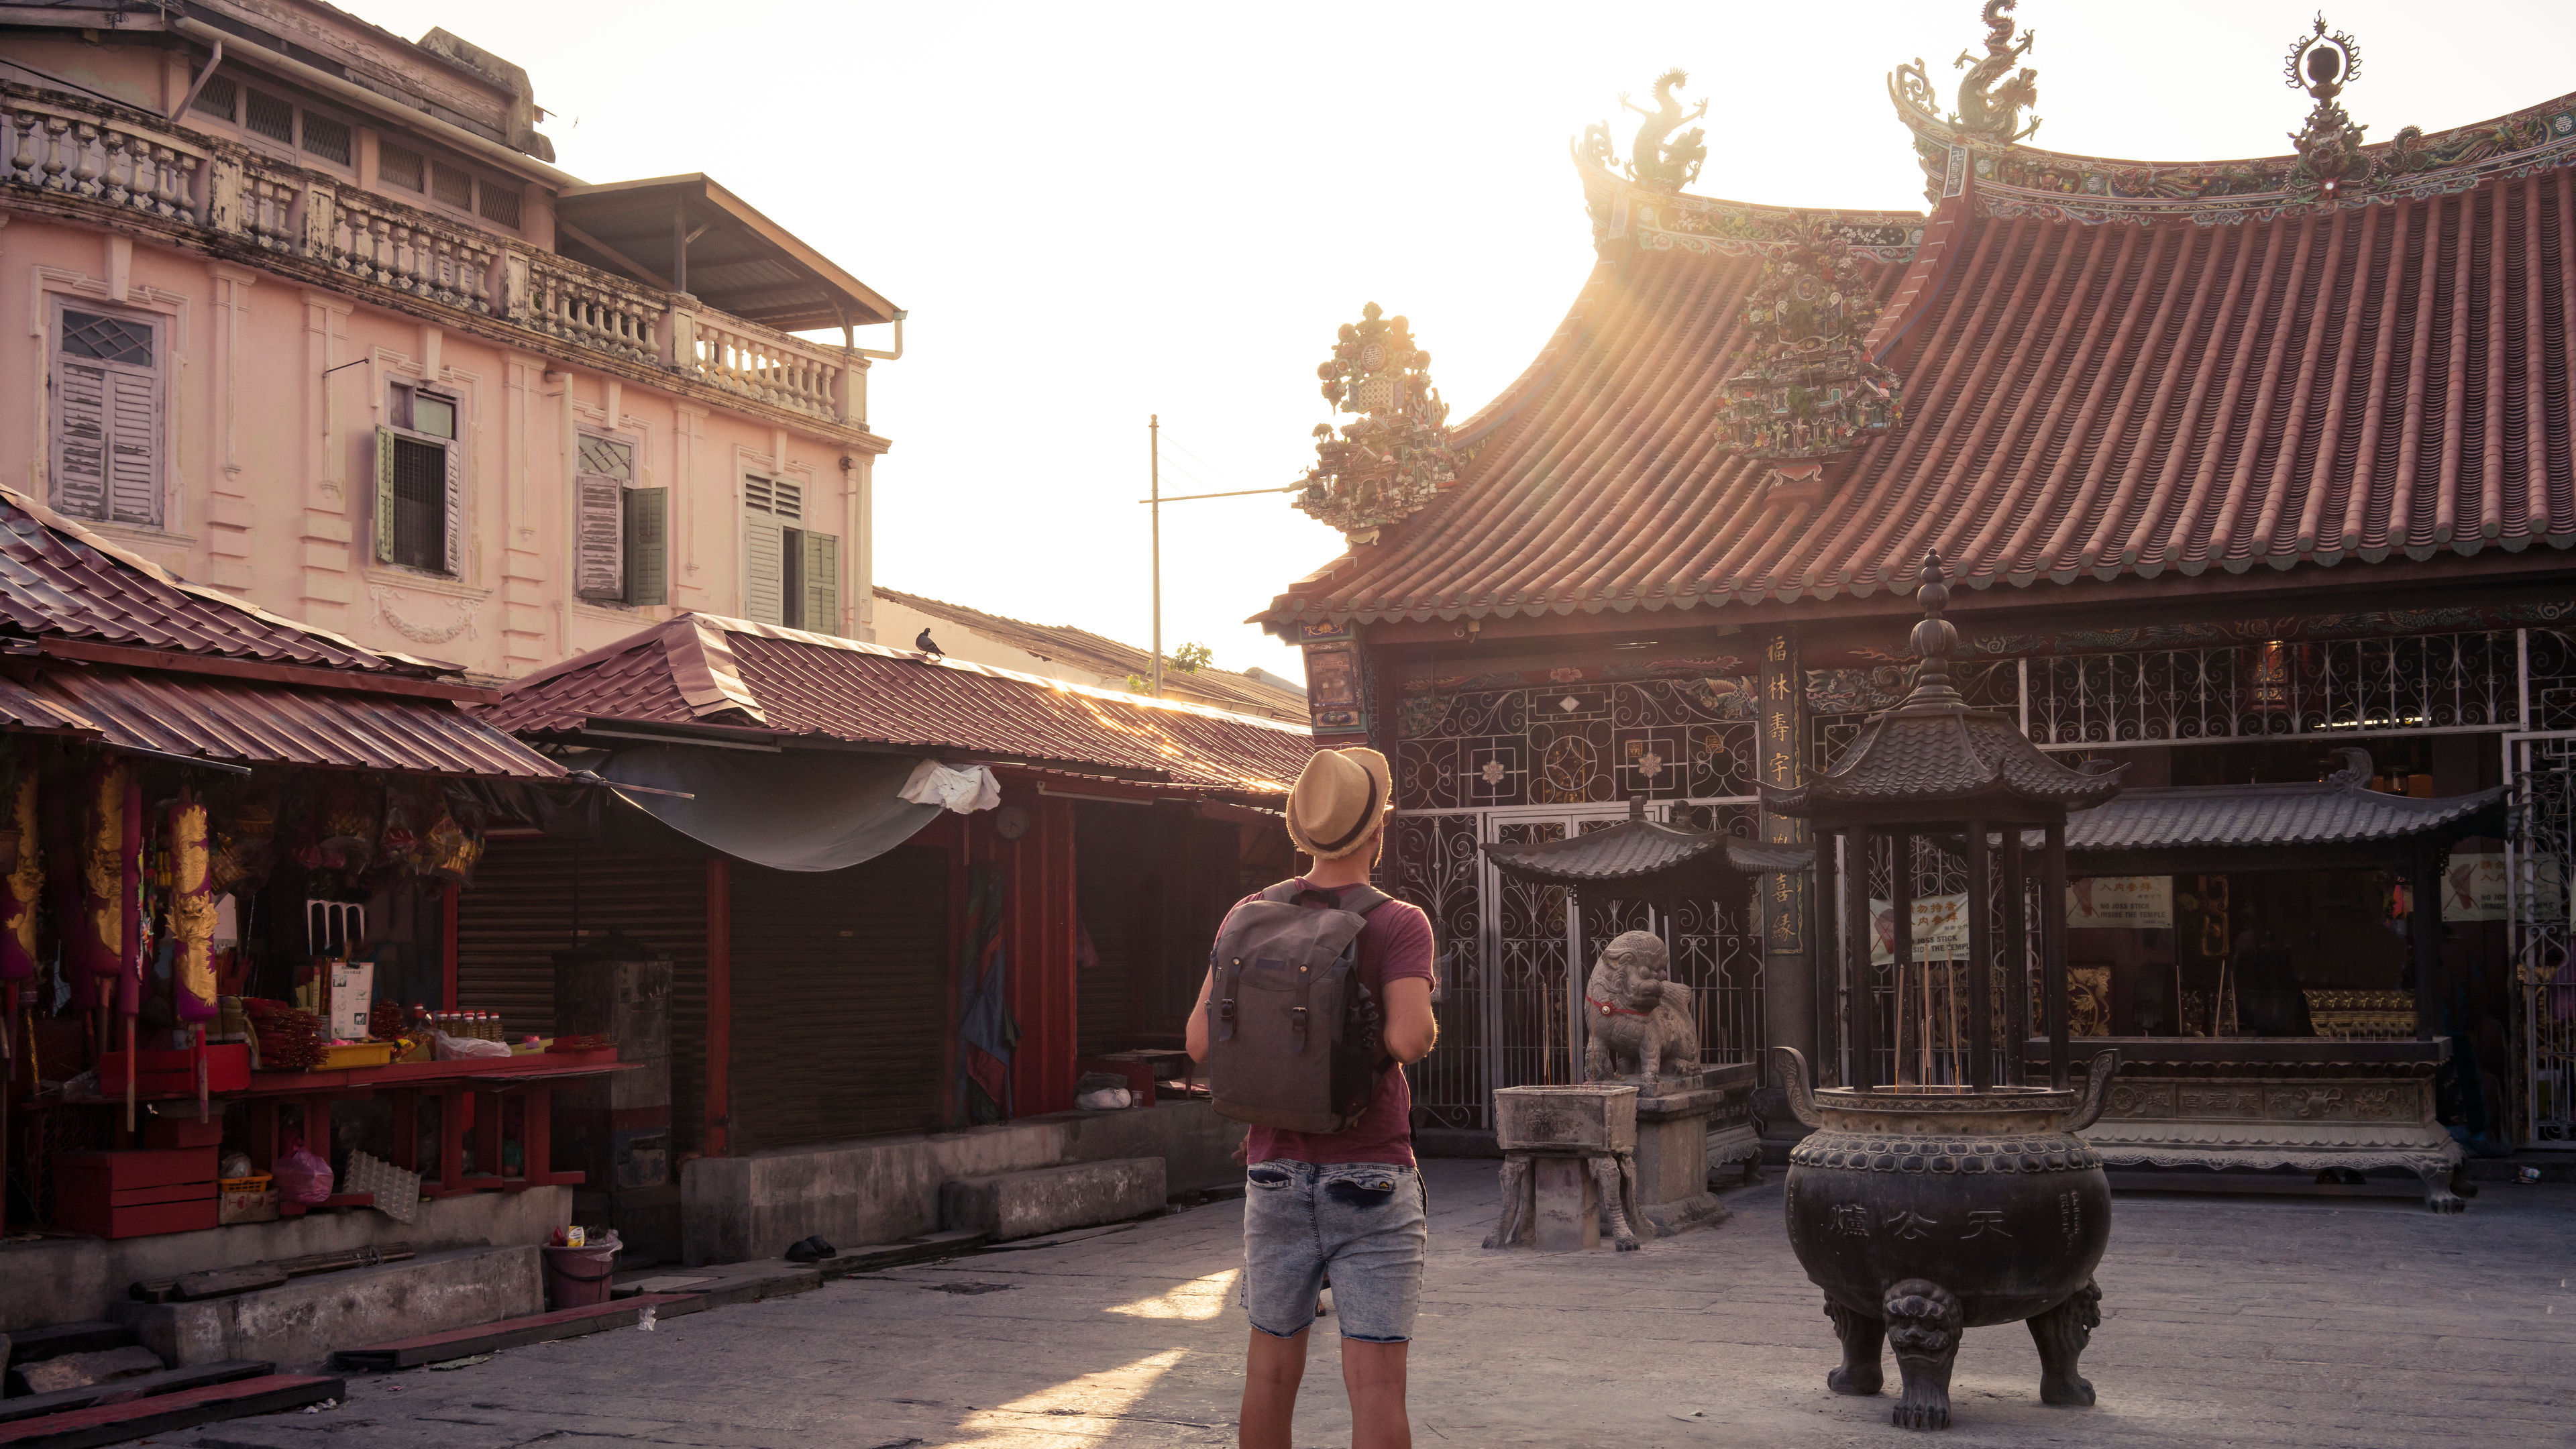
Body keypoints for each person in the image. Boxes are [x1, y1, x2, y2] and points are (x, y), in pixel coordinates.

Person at [1187, 746, 1438, 1449]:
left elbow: (1199, 1043)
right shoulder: (1398, 922)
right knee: (1378, 1382)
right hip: (1371, 1172)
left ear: (1302, 831)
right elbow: (1412, 1038)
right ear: (1376, 833)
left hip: (1272, 1170)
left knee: (1268, 1372)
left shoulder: (1249, 912)